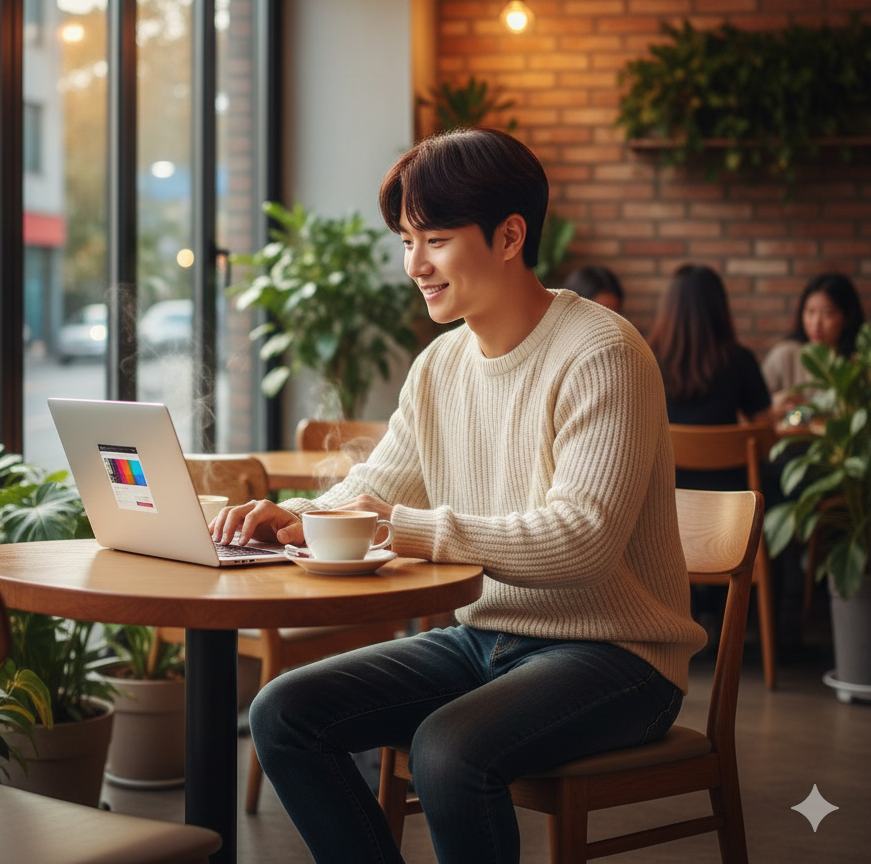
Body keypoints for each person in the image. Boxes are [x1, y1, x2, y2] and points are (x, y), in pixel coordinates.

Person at [211, 129, 704, 864]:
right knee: (284, 711)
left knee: (446, 750)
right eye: (406, 241)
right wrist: (299, 517)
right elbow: (379, 486)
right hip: (484, 639)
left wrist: (399, 528)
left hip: (617, 657)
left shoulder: (603, 353)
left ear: (510, 236)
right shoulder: (441, 363)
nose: (414, 265)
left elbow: (582, 542)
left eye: (434, 239)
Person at [647, 264, 771, 492]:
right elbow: (763, 429)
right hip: (731, 497)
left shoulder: (647, 361)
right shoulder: (739, 359)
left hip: (664, 495)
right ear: (719, 308)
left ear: (669, 309)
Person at [762, 273, 866, 419]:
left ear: (848, 317)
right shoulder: (784, 354)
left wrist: (809, 409)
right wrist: (778, 404)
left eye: (827, 313)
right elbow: (757, 410)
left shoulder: (857, 363)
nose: (816, 323)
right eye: (810, 312)